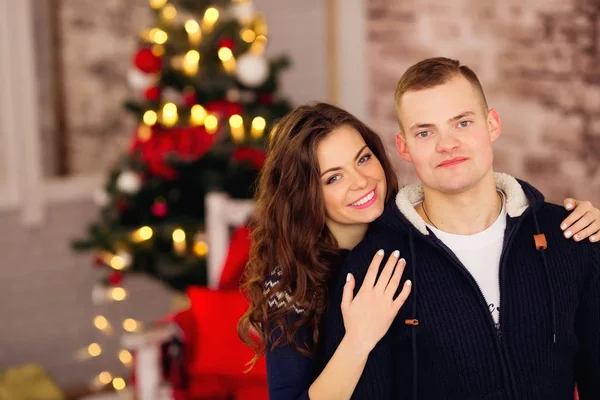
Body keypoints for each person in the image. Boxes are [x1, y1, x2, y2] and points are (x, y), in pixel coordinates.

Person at [237, 102, 600, 399]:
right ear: (306, 197)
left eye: (363, 159)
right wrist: (359, 339)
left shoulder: (408, 237)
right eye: (333, 177)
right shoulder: (291, 283)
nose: (361, 181)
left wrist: (585, 221)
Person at [322, 57, 600, 399]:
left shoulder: (571, 236)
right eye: (425, 132)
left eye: (463, 123)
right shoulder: (372, 269)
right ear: (404, 147)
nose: (447, 144)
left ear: (492, 124)